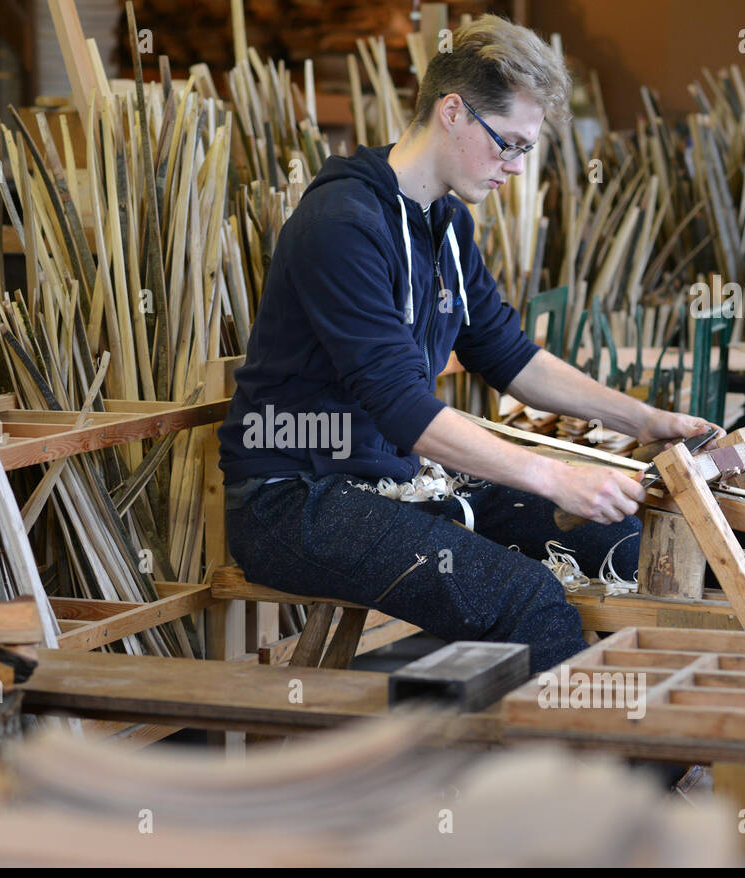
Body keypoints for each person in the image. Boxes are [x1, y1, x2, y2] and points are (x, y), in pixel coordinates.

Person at [217, 15, 717, 672]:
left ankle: (659, 747)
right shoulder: (343, 223)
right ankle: (622, 772)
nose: (513, 167)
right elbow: (403, 409)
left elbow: (509, 356)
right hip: (292, 499)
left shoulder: (446, 224)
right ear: (452, 112)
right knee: (524, 600)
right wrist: (555, 475)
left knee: (615, 537)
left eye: (524, 151)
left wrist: (646, 418)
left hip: (385, 481)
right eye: (508, 144)